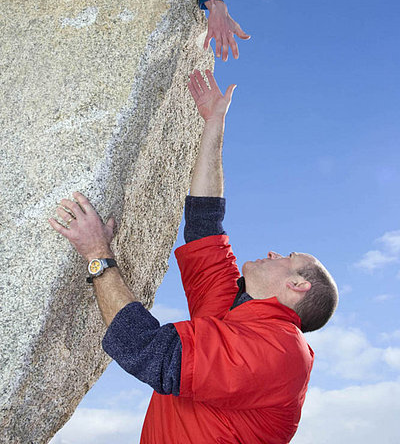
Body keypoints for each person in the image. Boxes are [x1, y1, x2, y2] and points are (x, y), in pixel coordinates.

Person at [49, 70, 338, 443]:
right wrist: (214, 123)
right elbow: (205, 223)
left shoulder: (282, 353)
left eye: (289, 256)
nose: (273, 252)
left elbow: (150, 353)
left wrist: (97, 254)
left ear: (297, 284)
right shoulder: (234, 310)